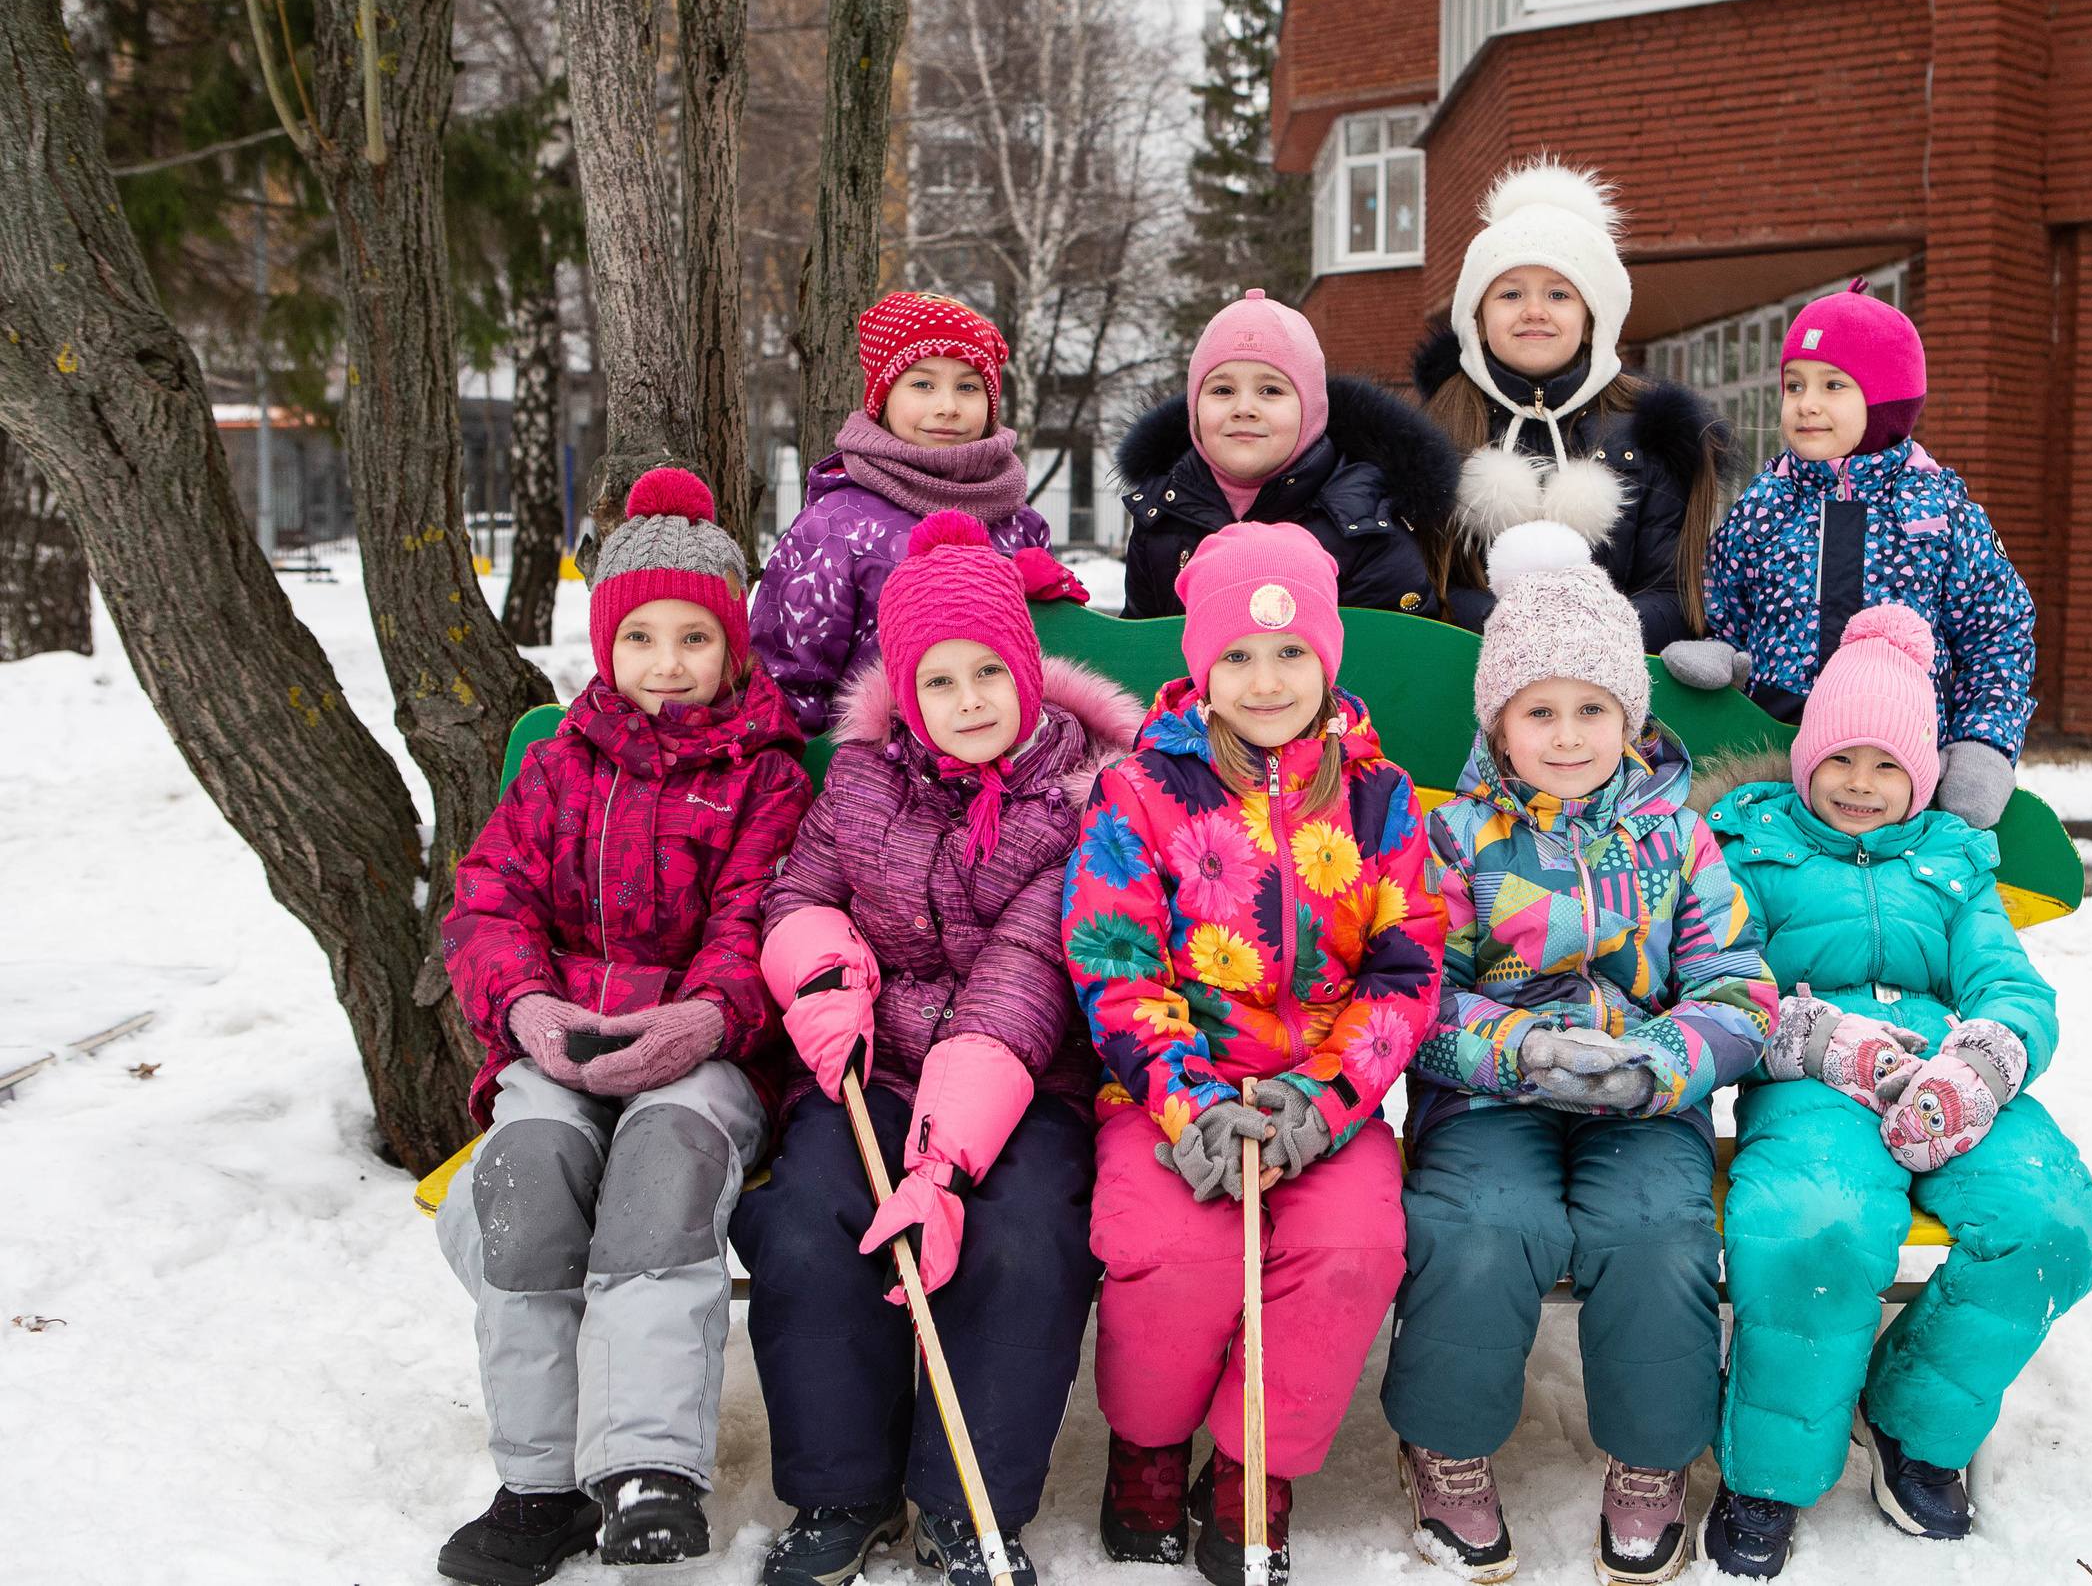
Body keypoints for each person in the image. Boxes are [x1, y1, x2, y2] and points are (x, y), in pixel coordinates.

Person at [734, 511, 1140, 1586]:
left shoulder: (1085, 799)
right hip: (871, 1074)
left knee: (1021, 1245)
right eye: (941, 682)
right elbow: (800, 891)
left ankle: (969, 1507)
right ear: (906, 694)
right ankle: (842, 1489)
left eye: (988, 675)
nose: (969, 703)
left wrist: (943, 1165)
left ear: (1026, 675)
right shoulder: (862, 780)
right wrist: (818, 974)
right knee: (809, 1223)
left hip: (1024, 1083)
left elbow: (1028, 974)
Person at [435, 467, 813, 1585]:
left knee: (660, 1175)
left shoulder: (766, 778)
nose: (665, 663)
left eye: (693, 637)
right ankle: (539, 1480)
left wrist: (700, 1020)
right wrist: (529, 1009)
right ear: (607, 644)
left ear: (731, 644)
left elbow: (762, 915)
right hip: (558, 1041)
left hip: (703, 1056)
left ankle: (651, 1469)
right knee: (528, 1178)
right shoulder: (557, 770)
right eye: (639, 636)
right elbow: (486, 903)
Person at [1381, 522, 1776, 1586]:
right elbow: (1416, 990)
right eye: (1538, 712)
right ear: (1498, 725)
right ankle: (1445, 1443)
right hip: (1492, 1102)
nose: (1565, 735)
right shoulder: (1453, 838)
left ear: (1628, 719)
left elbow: (1736, 985)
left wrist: (1655, 1060)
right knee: (1480, 1227)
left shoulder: (1677, 839)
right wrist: (1514, 1051)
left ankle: (1651, 1460)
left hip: (1642, 1102)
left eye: (1590, 710)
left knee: (1656, 1235)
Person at [1693, 605, 2092, 1579]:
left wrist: (1979, 1066)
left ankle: (1915, 1419)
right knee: (1814, 1226)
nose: (1860, 783)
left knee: (2055, 1223)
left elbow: (2009, 982)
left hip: (1952, 1078)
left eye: (1887, 764)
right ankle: (1767, 1472)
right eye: (1841, 758)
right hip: (1815, 1077)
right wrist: (1816, 1037)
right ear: (1805, 758)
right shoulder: (1749, 849)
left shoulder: (1951, 860)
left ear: (1921, 775)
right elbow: (1721, 979)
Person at [1060, 522, 1446, 1586]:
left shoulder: (1379, 800)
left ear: (1326, 661)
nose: (1265, 679)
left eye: (1290, 654)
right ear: (1200, 667)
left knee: (1351, 1249)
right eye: (1237, 654)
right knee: (1168, 1251)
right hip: (1174, 1096)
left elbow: (1407, 972)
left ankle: (1250, 1463)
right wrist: (1187, 1106)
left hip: (1325, 1099)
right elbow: (1114, 962)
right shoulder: (1141, 794)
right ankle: (1147, 1445)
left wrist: (1323, 1101)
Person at [1664, 282, 2036, 828]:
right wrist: (1723, 653)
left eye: (1833, 385)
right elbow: (1726, 603)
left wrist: (1984, 742)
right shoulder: (1763, 505)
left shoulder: (1938, 512)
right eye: (1794, 386)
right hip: (1773, 753)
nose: (1806, 403)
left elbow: (1998, 634)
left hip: (1894, 768)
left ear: (1886, 399)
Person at [1413, 161, 1739, 651]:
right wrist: (1503, 624)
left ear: (1592, 320)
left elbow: (1676, 598)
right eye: (1510, 293)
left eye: (1559, 293)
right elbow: (1413, 586)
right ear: (1477, 319)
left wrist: (1586, 630)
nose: (1534, 310)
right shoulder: (1432, 432)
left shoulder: (1651, 436)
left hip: (1611, 708)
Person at [751, 292, 1087, 737]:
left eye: (968, 387)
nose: (947, 406)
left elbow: (1040, 662)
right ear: (882, 398)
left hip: (1007, 779)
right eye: (923, 384)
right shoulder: (835, 526)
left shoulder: (1017, 522)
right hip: (878, 781)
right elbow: (787, 684)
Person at [1117, 289, 1458, 620]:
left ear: (1311, 409)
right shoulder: (1159, 518)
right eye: (1222, 390)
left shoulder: (1364, 529)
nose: (1244, 408)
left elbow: (1389, 665)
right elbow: (1137, 656)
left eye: (1271, 390)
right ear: (1193, 407)